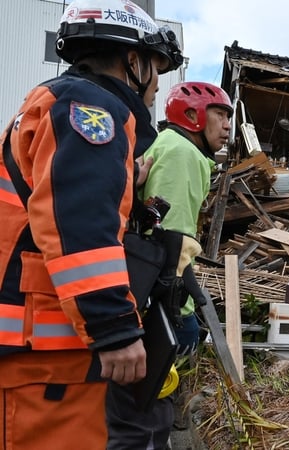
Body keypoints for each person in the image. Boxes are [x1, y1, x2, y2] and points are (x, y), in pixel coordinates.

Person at [0, 0, 182, 448]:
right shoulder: (93, 109)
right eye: (156, 69)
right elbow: (77, 223)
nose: (158, 86)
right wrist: (114, 328)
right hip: (46, 352)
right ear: (133, 61)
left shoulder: (51, 104)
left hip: (36, 345)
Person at [105, 81, 233, 449]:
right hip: (158, 295)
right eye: (220, 114)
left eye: (229, 117)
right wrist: (178, 306)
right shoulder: (182, 153)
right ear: (192, 116)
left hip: (142, 286)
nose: (227, 125)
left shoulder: (171, 146)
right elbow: (169, 238)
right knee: (148, 406)